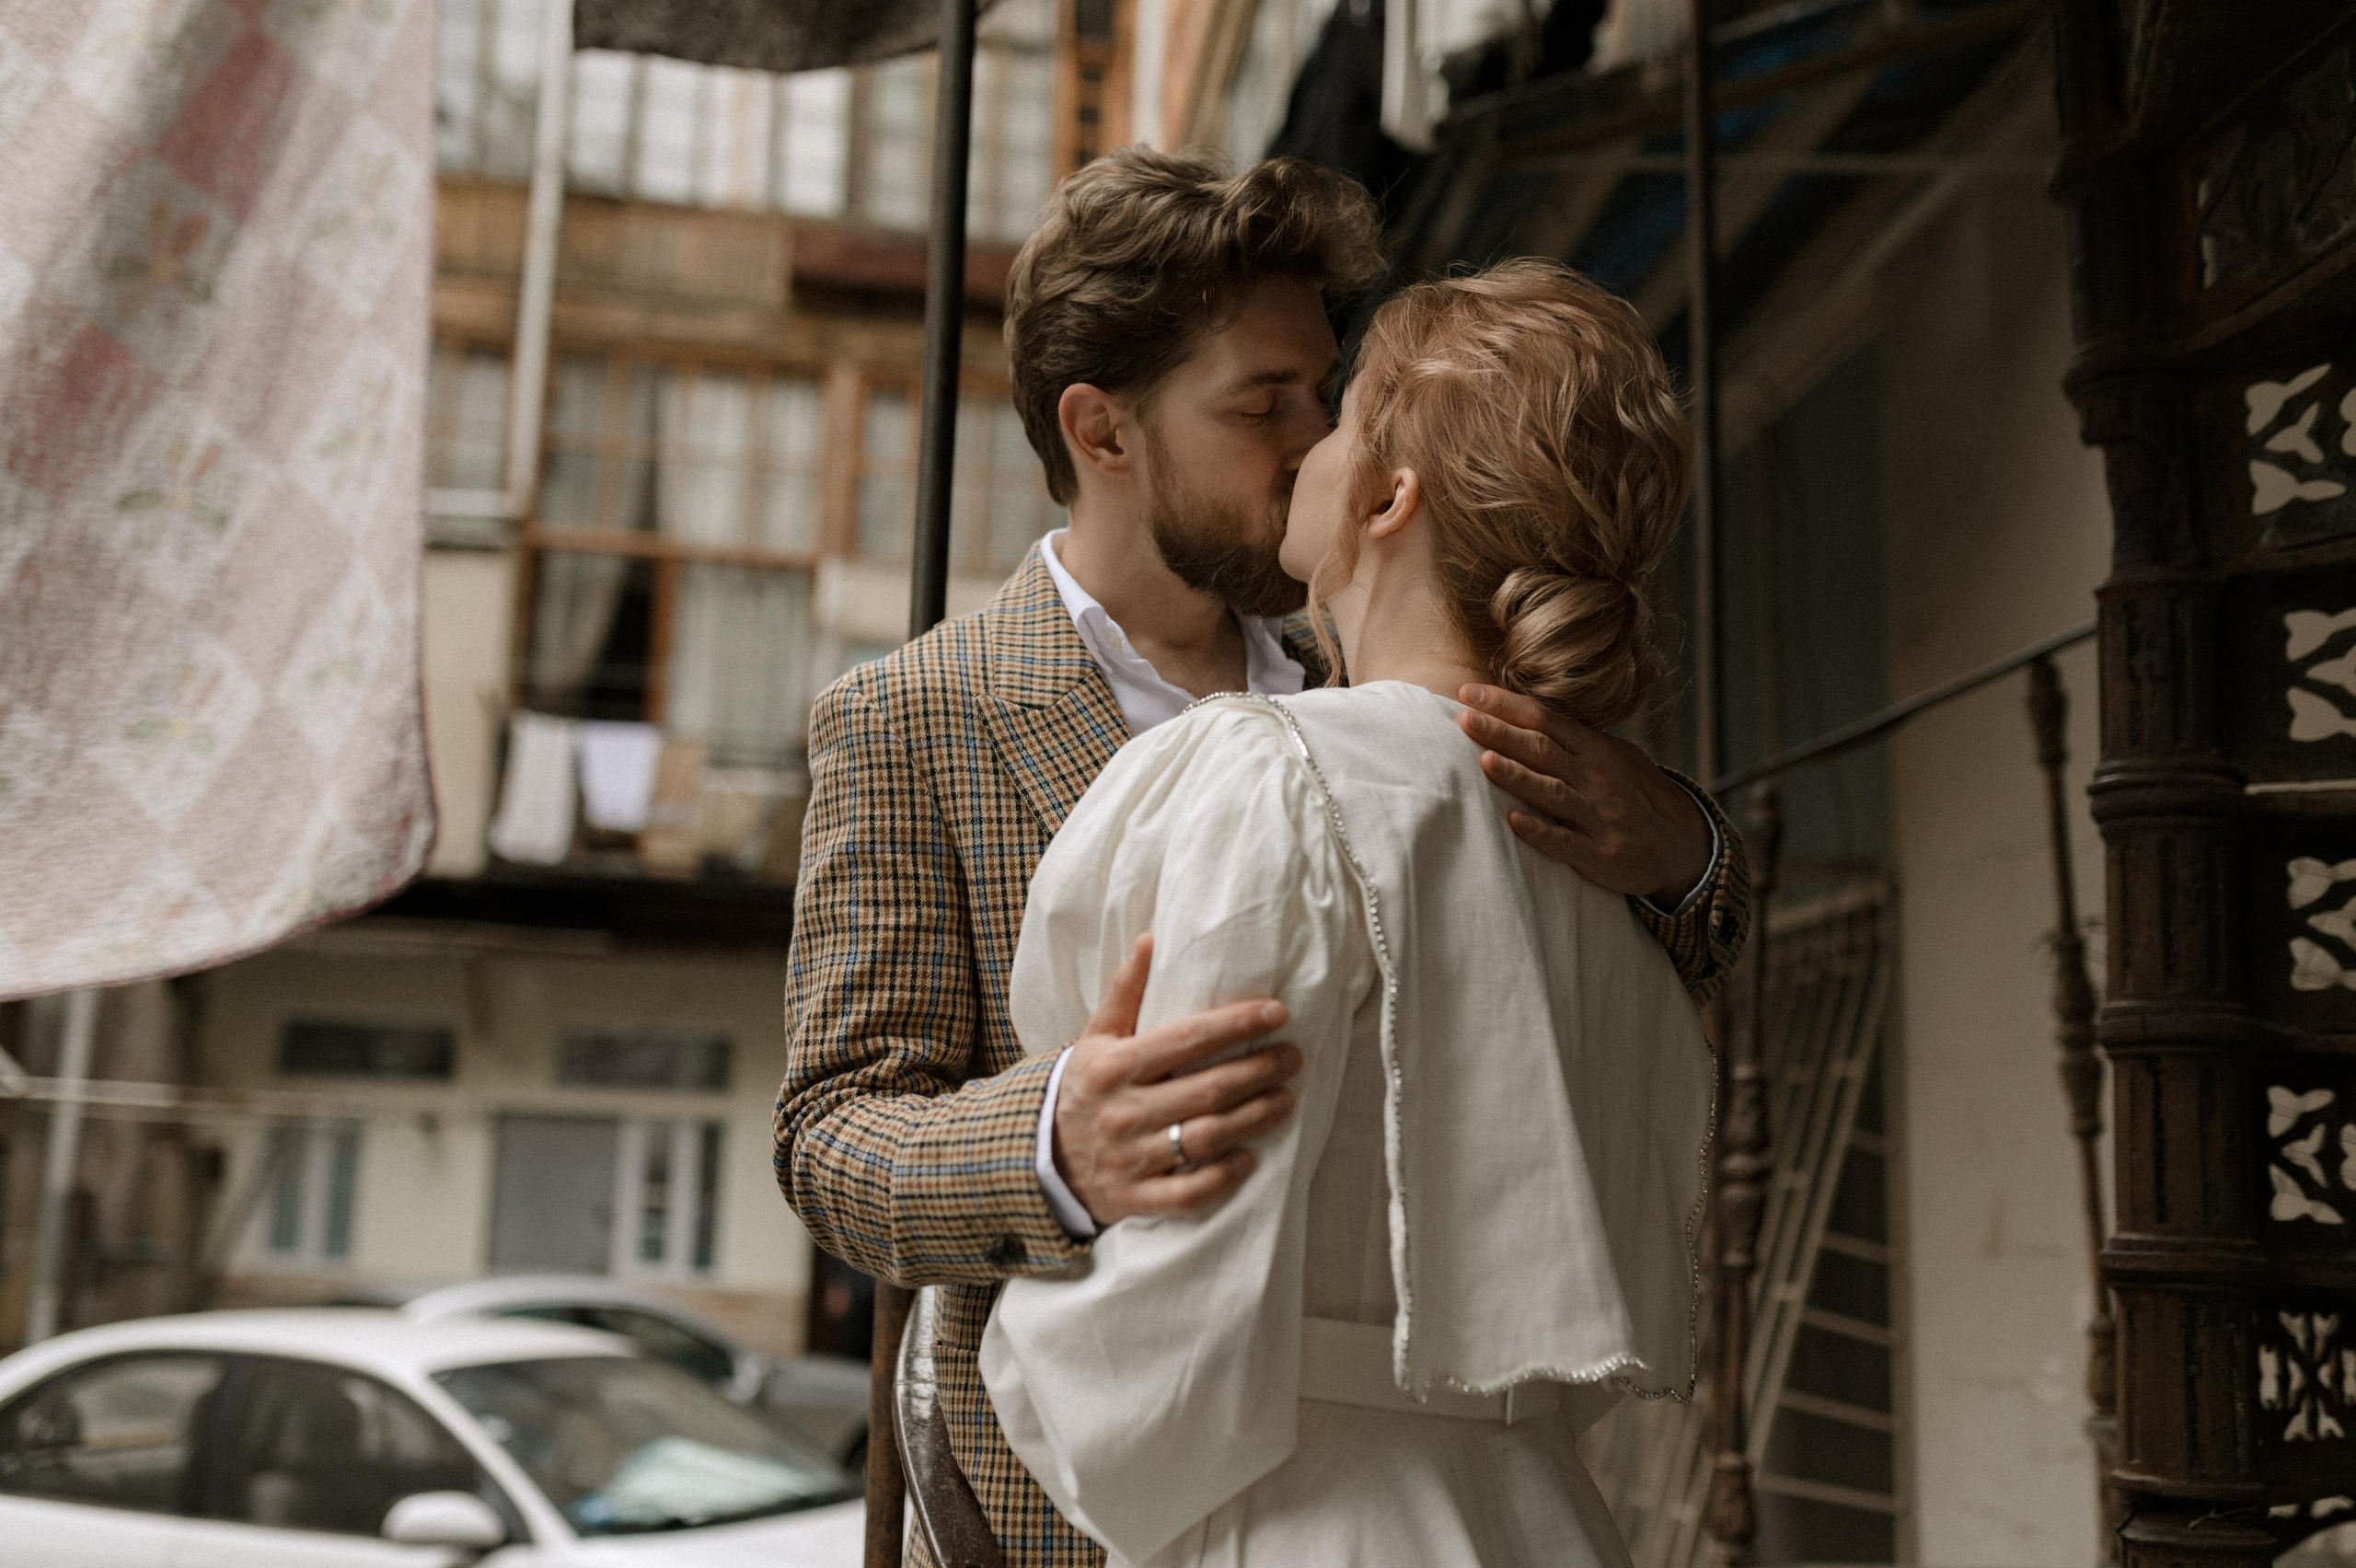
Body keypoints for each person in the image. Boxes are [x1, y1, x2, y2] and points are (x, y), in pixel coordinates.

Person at [773, 150, 1747, 1568]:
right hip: (1049, 1524)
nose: (1306, 437)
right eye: (1261, 402)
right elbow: (828, 1137)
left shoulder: (1398, 692)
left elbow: (1583, 1028)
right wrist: (1052, 1146)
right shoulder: (915, 719)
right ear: (1104, 432)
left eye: (1321, 391)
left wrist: (1686, 850)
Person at [980, 259, 1715, 1567]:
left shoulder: (1274, 779)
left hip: (1314, 1523)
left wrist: (1035, 1373)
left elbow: (1178, 1282)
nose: (1308, 444)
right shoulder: (1619, 872)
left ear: (1386, 497)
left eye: (1348, 410)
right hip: (1547, 1517)